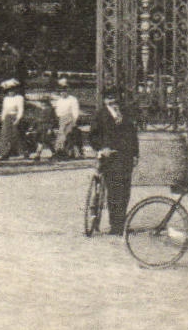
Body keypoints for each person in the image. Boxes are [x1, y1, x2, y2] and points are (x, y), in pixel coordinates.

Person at [89, 87, 138, 234]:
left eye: (115, 98)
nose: (113, 101)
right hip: (110, 157)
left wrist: (135, 154)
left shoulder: (125, 114)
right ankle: (116, 225)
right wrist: (102, 148)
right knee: (115, 191)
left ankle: (122, 222)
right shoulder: (100, 115)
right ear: (105, 100)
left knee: (125, 191)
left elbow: (133, 134)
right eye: (109, 98)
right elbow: (93, 135)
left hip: (126, 157)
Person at [0, 78, 25, 161]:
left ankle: (24, 152)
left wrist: (18, 119)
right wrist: (3, 119)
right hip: (7, 118)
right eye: (9, 90)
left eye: (12, 90)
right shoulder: (6, 99)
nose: (11, 92)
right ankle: (5, 154)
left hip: (15, 117)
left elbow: (21, 109)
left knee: (17, 135)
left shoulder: (19, 98)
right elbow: (4, 110)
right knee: (5, 136)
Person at [52, 78, 81, 159]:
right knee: (61, 136)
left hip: (70, 119)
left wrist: (74, 121)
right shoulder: (59, 101)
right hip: (61, 120)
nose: (63, 93)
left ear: (67, 90)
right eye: (61, 91)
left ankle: (69, 152)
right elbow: (57, 112)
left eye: (64, 91)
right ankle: (61, 152)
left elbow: (75, 111)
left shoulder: (72, 99)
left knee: (67, 135)